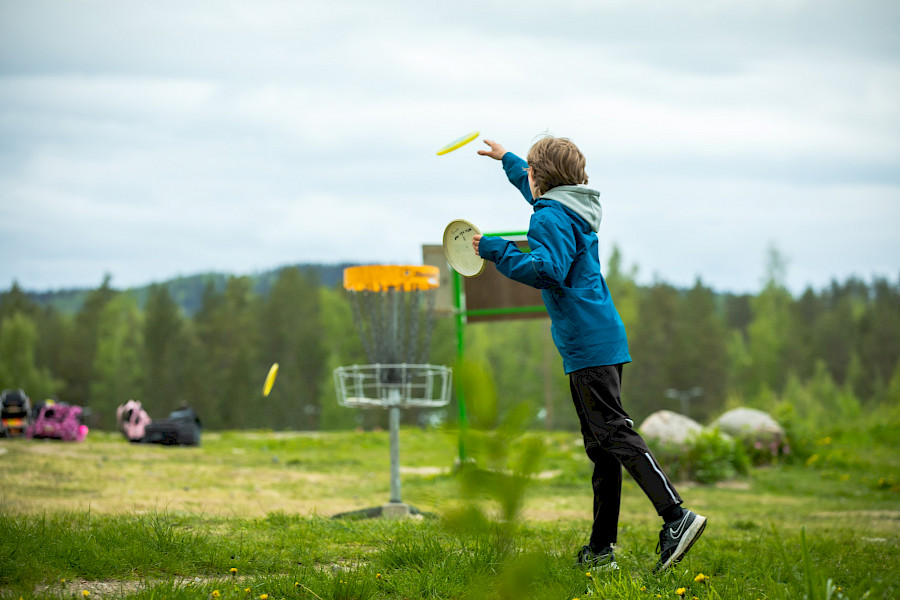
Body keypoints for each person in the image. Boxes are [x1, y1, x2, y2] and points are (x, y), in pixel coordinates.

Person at [473, 135, 706, 573]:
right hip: (602, 339)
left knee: (614, 434)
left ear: (541, 179)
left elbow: (546, 270)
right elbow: (539, 196)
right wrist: (508, 160)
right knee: (602, 448)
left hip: (586, 345)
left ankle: (676, 517)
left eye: (530, 174)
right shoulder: (570, 208)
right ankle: (601, 550)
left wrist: (495, 249)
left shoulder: (549, 217)